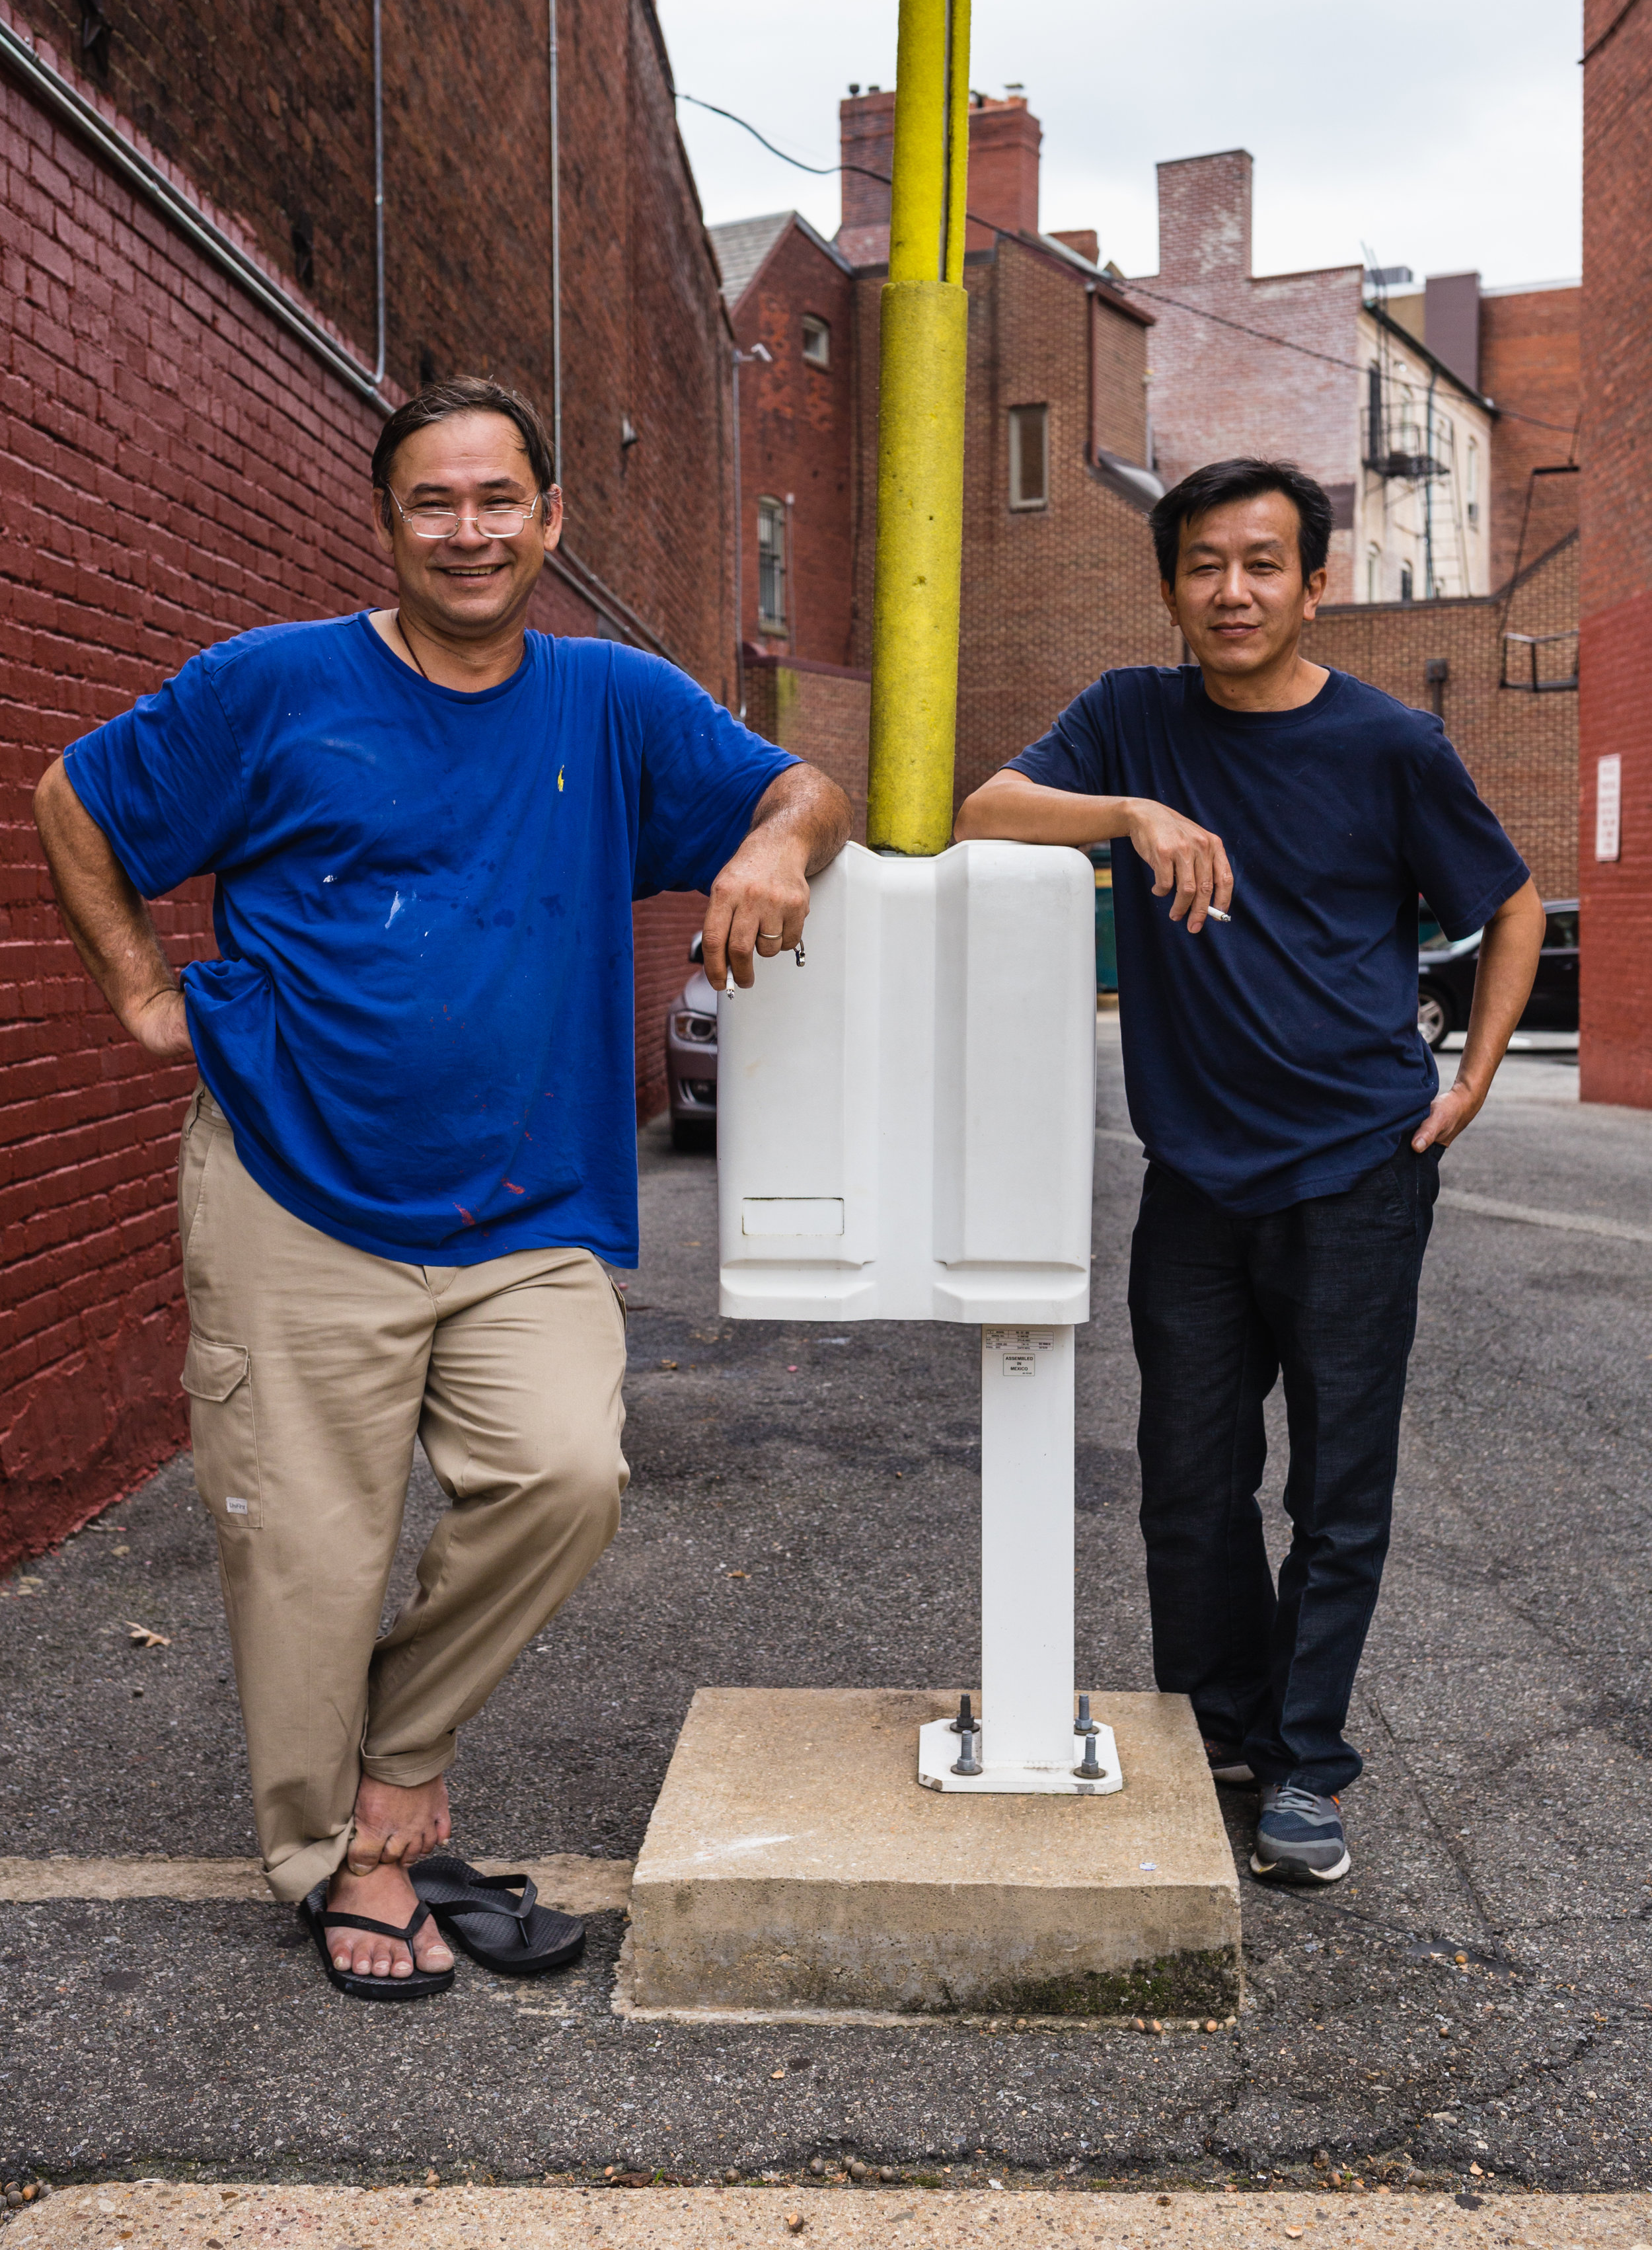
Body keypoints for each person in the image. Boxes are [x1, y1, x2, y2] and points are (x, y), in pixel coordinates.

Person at [34, 376, 850, 1996]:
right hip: (290, 1185)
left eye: (498, 502)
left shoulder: (611, 702)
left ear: (549, 520)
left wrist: (776, 843)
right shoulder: (271, 689)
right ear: (386, 522)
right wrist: (138, 989)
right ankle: (338, 1859)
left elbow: (800, 785)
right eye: (433, 502)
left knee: (565, 1472)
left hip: (522, 1208)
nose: (467, 531)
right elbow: (77, 799)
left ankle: (396, 1757)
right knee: (308, 1556)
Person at [956, 457, 1544, 1886]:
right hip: (1194, 1178)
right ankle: (1215, 1729)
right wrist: (1127, 816)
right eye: (1205, 564)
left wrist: (1465, 1083)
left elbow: (1509, 903)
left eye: (1262, 564)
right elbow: (984, 808)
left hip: (1356, 1166)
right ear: (1170, 583)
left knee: (1336, 1490)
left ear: (1313, 584)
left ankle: (1305, 1766)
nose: (1232, 590)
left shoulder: (1389, 745)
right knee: (1186, 1480)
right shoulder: (1128, 719)